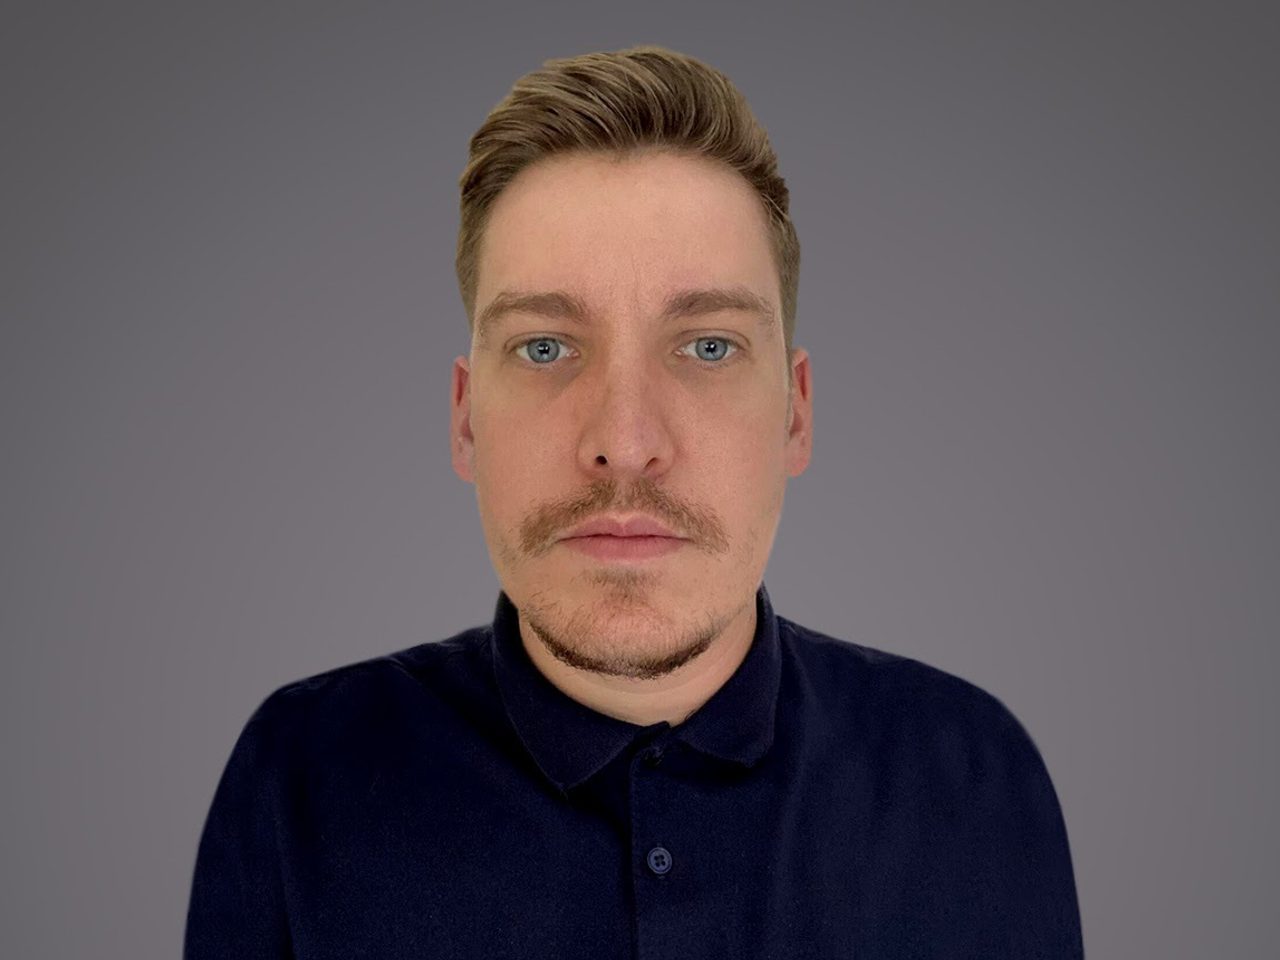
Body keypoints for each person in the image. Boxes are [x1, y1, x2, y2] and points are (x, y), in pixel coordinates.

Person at [184, 45, 1084, 959]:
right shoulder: (300, 780)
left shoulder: (976, 781)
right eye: (544, 348)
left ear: (795, 414)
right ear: (464, 419)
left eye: (707, 347)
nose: (624, 439)